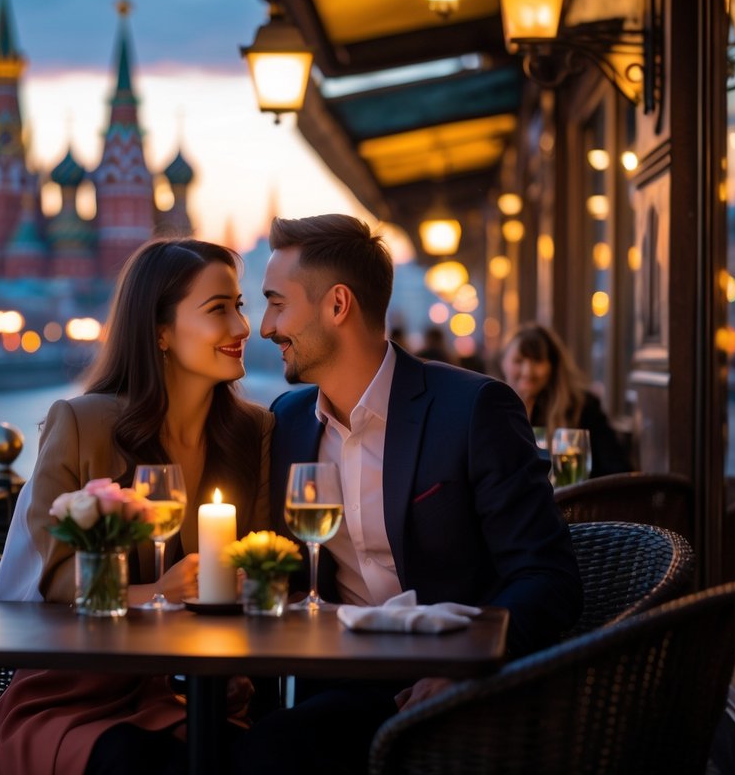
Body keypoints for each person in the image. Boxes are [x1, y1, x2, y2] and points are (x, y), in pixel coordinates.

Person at [238, 214, 581, 775]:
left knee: (268, 752)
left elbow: (549, 579)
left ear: (337, 305)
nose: (266, 326)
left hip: (453, 689)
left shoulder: (473, 410)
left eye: (277, 303)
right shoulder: (289, 420)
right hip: (332, 680)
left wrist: (464, 670)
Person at [0, 239, 272, 775]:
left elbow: (269, 568)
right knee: (134, 759)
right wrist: (158, 592)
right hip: (80, 692)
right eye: (218, 309)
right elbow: (56, 578)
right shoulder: (84, 425)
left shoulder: (255, 433)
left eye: (239, 306)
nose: (243, 328)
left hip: (199, 689)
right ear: (159, 331)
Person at [498, 322, 631, 476]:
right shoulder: (493, 410)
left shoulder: (581, 406)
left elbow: (616, 469)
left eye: (537, 361)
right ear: (503, 363)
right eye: (519, 361)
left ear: (553, 366)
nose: (528, 371)